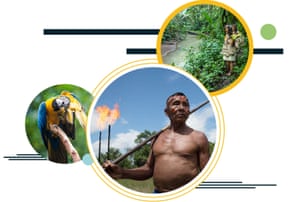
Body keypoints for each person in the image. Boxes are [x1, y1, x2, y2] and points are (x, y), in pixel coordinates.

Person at [103, 92, 210, 193]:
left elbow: (207, 173)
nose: (181, 108)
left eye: (185, 105)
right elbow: (148, 170)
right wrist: (122, 172)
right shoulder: (157, 138)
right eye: (176, 104)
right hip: (158, 194)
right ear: (166, 112)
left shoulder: (198, 137)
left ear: (189, 111)